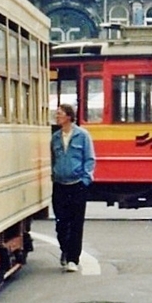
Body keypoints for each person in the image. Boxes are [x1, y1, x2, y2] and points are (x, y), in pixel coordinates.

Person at [51, 103, 95, 273]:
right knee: (60, 224)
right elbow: (53, 159)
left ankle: (72, 259)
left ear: (69, 116)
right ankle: (65, 249)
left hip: (77, 185)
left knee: (76, 224)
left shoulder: (82, 136)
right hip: (60, 185)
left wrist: (85, 180)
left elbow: (89, 159)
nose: (57, 116)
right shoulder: (55, 138)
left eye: (60, 114)